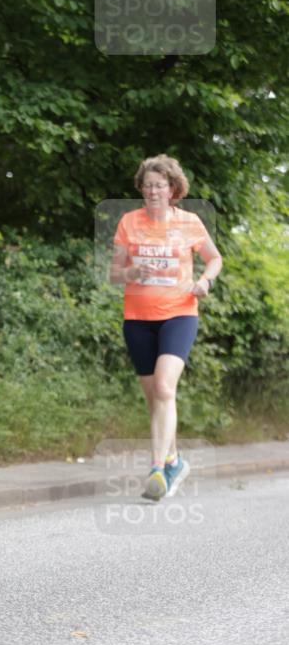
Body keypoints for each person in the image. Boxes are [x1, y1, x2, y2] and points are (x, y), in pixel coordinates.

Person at [110, 155, 223, 500]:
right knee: (155, 398)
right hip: (138, 319)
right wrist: (132, 273)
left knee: (163, 387)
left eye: (159, 185)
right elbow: (115, 272)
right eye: (147, 185)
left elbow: (214, 258)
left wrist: (205, 281)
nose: (153, 191)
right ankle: (175, 459)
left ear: (173, 189)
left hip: (179, 313)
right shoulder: (129, 222)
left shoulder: (189, 223)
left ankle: (158, 467)